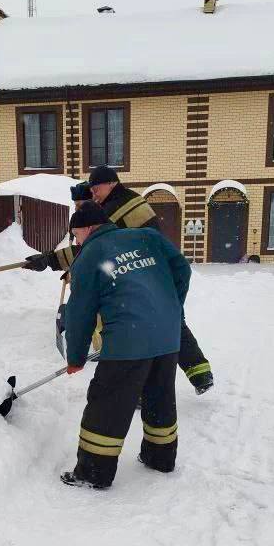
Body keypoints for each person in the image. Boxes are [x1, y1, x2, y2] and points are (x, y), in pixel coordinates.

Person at [24, 168, 213, 395]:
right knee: (169, 320)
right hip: (153, 269)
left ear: (112, 183)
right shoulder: (128, 198)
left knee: (144, 331)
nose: (94, 194)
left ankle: (144, 389)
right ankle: (200, 373)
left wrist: (50, 259)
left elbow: (94, 249)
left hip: (142, 273)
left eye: (96, 188)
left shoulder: (115, 209)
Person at [61, 201, 191, 490]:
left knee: (108, 404)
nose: (76, 242)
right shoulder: (147, 237)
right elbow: (182, 269)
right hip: (167, 335)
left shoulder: (90, 255)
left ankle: (93, 472)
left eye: (75, 235)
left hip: (128, 341)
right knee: (159, 396)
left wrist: (76, 358)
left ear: (87, 228)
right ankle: (160, 457)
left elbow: (80, 313)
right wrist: (171, 306)